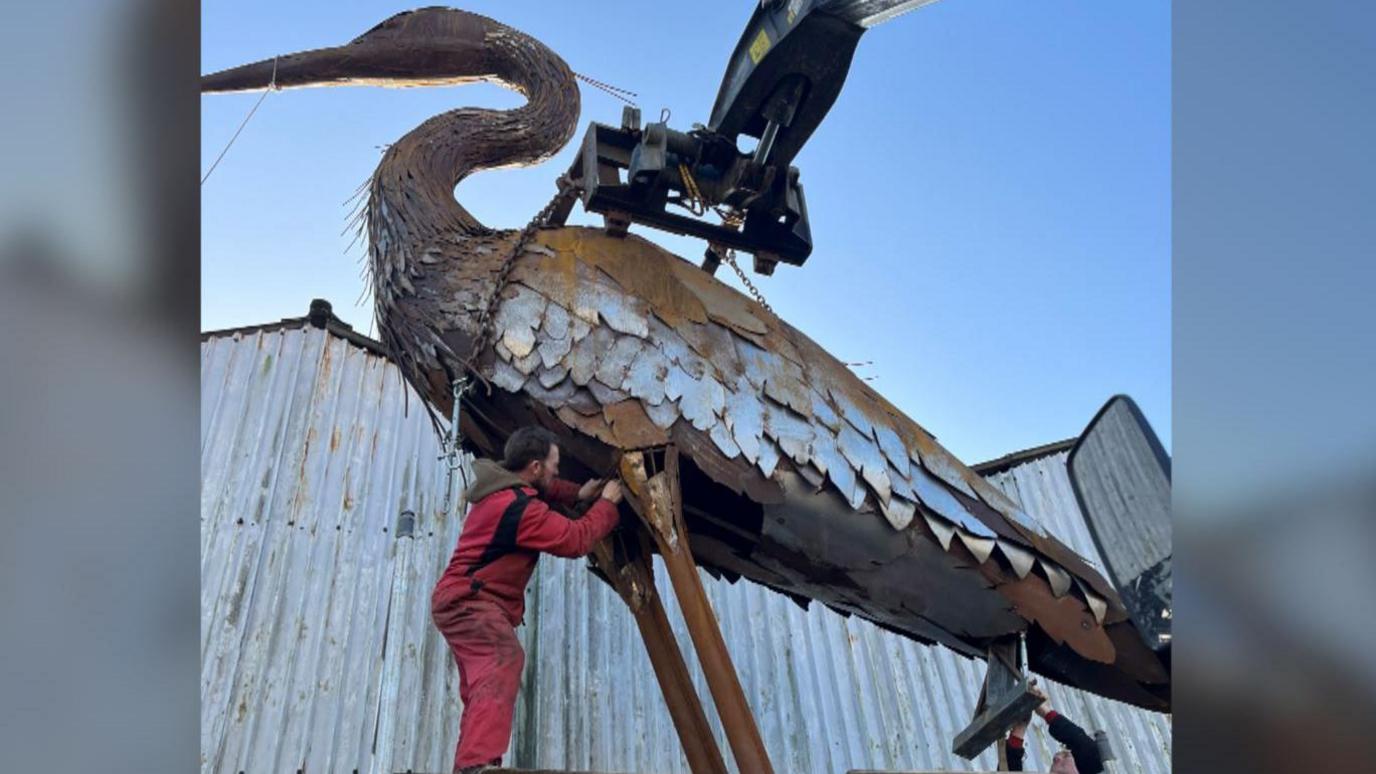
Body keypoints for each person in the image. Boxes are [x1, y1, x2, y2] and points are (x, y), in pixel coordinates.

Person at [430, 426, 624, 774]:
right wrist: (607, 505)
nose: (557, 472)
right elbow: (575, 539)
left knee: (481, 686)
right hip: (471, 601)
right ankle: (476, 765)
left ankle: (472, 762)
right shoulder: (518, 508)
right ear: (535, 466)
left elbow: (547, 493)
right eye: (554, 465)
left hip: (460, 598)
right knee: (503, 659)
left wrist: (579, 492)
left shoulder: (505, 489)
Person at [1007, 682, 1104, 773]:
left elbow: (1088, 749)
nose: (1056, 758)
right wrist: (1020, 728)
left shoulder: (1090, 755)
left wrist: (1045, 711)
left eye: (1066, 755)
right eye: (1065, 756)